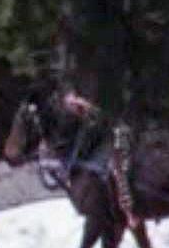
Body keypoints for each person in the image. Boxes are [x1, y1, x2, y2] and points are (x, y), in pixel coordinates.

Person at [60, 89, 141, 230]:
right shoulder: (80, 117)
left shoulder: (93, 109)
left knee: (117, 170)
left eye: (73, 106)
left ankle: (129, 212)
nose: (73, 110)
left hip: (118, 133)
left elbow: (104, 119)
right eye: (70, 106)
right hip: (106, 138)